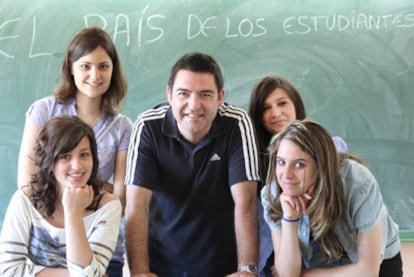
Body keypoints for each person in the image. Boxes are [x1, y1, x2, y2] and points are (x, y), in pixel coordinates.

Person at [125, 52, 260, 276]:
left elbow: (246, 202)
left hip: (224, 268)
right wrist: (139, 272)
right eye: (183, 93)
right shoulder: (147, 126)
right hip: (160, 267)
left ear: (220, 97)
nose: (194, 105)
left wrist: (247, 269)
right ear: (169, 95)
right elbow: (136, 206)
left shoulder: (237, 123)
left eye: (205, 94)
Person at [17, 27, 132, 276]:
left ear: (113, 69)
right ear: (71, 66)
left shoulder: (122, 127)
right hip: (45, 244)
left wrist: (69, 187)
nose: (95, 75)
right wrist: (89, 191)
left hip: (99, 242)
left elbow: (121, 201)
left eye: (103, 66)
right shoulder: (44, 111)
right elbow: (27, 184)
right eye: (85, 66)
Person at [261, 119, 402, 276]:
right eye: (281, 162)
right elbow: (287, 273)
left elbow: (368, 271)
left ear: (320, 166)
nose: (286, 175)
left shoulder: (357, 182)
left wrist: (304, 274)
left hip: (377, 263)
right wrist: (289, 219)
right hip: (318, 263)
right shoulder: (272, 195)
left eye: (299, 164)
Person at [248, 74, 348, 276]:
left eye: (282, 103)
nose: (275, 113)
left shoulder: (329, 147)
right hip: (276, 250)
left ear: (296, 105)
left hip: (324, 255)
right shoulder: (253, 158)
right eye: (266, 108)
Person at [0, 115, 122, 276]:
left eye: (84, 154)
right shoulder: (25, 200)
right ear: (49, 160)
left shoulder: (107, 206)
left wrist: (73, 213)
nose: (77, 166)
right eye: (65, 156)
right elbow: (8, 270)